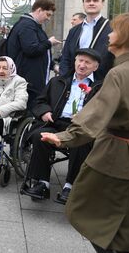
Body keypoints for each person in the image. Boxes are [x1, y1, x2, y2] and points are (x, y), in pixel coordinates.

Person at [41, 13, 129, 253]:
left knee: (87, 211)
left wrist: (64, 137)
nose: (109, 35)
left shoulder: (119, 73)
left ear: (126, 37)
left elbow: (96, 115)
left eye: (115, 31)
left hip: (115, 157)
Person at [20, 49, 102, 204]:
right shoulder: (58, 81)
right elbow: (39, 102)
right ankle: (41, 183)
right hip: (55, 122)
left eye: (87, 62)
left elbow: (103, 112)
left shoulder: (100, 87)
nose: (82, 65)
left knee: (81, 140)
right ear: (75, 61)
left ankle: (70, 186)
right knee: (40, 136)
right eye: (80, 60)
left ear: (95, 67)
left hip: (81, 127)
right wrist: (44, 112)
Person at [6, 0, 61, 109]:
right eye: (48, 14)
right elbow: (31, 49)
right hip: (29, 78)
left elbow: (39, 50)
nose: (48, 19)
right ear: (39, 10)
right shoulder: (27, 25)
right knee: (30, 106)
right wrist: (49, 42)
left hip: (31, 76)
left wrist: (53, 65)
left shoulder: (31, 24)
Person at [59, 0, 113, 80]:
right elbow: (66, 56)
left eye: (95, 1)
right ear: (83, 4)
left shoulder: (111, 29)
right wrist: (64, 78)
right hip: (74, 81)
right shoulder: (74, 30)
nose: (91, 3)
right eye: (88, 1)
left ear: (102, 4)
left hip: (100, 81)